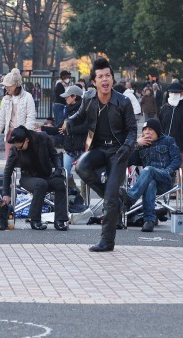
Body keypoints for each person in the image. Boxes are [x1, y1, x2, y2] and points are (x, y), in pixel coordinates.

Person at [66, 57, 137, 252]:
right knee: (81, 167)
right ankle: (114, 198)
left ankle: (107, 241)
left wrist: (127, 147)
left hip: (118, 152)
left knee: (111, 198)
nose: (105, 80)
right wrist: (69, 121)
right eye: (100, 77)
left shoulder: (123, 102)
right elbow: (79, 115)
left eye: (108, 76)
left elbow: (132, 130)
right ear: (94, 82)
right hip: (97, 149)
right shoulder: (88, 98)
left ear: (113, 80)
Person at [2, 126, 69, 231]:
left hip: (46, 175)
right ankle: (35, 220)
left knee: (59, 183)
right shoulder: (15, 149)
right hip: (28, 178)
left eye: (20, 146)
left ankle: (60, 220)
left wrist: (58, 169)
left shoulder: (43, 139)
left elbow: (54, 156)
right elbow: (7, 171)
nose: (18, 148)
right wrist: (6, 193)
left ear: (27, 140)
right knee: (40, 184)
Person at [124, 119, 182, 232]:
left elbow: (177, 160)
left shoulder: (168, 141)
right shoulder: (142, 146)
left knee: (148, 170)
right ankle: (149, 221)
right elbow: (127, 162)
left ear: (157, 131)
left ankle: (128, 200)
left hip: (166, 179)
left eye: (150, 129)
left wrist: (168, 171)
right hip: (149, 182)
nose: (147, 132)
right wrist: (136, 145)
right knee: (150, 182)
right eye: (144, 130)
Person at [157, 82, 183, 198]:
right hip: (166, 144)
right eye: (171, 92)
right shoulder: (164, 108)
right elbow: (160, 125)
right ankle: (172, 190)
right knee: (169, 169)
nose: (173, 94)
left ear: (181, 93)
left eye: (176, 92)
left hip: (181, 143)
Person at [40, 85, 86, 184]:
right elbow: (59, 128)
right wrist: (42, 128)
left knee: (84, 176)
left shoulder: (85, 109)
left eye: (67, 96)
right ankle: (73, 194)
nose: (65, 99)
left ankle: (84, 197)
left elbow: (86, 128)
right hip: (69, 149)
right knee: (65, 173)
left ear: (74, 96)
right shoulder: (67, 110)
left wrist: (69, 130)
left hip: (83, 149)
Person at [0, 68, 36, 158]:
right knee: (9, 163)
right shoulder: (6, 99)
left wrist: (26, 135)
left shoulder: (28, 97)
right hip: (10, 135)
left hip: (23, 136)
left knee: (24, 162)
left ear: (15, 85)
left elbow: (31, 118)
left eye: (8, 86)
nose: (6, 88)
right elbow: (1, 118)